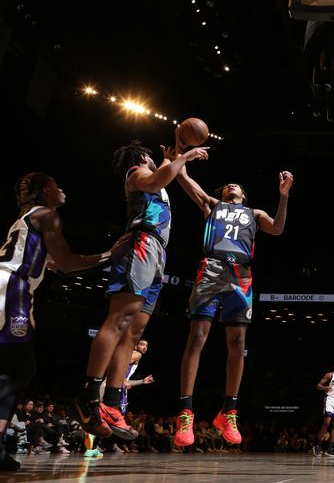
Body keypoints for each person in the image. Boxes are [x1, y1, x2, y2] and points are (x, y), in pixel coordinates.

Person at [72, 138, 209, 440]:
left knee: (134, 332)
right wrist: (183, 156)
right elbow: (158, 177)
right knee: (119, 320)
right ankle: (89, 393)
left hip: (157, 252)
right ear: (141, 158)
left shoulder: (156, 177)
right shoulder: (135, 173)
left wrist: (172, 158)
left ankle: (111, 402)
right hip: (140, 244)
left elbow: (163, 176)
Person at [0, 172, 122, 471]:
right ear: (44, 192)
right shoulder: (47, 215)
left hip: (13, 287)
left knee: (19, 367)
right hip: (11, 289)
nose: (62, 189)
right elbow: (67, 263)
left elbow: (56, 265)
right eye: (56, 186)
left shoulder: (28, 219)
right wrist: (110, 254)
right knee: (15, 369)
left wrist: (102, 258)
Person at [172, 165, 293, 448]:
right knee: (197, 337)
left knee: (238, 342)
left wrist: (284, 196)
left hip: (241, 275)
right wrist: (181, 159)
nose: (230, 186)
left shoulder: (255, 214)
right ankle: (185, 412)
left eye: (235, 184)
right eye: (226, 184)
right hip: (211, 269)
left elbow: (277, 229)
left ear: (244, 195)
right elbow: (184, 180)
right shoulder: (213, 206)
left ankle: (229, 411)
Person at [312, 361, 334, 458]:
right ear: (333, 367)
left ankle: (329, 449)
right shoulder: (329, 375)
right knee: (327, 422)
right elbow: (318, 386)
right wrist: (324, 388)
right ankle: (318, 444)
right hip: (330, 399)